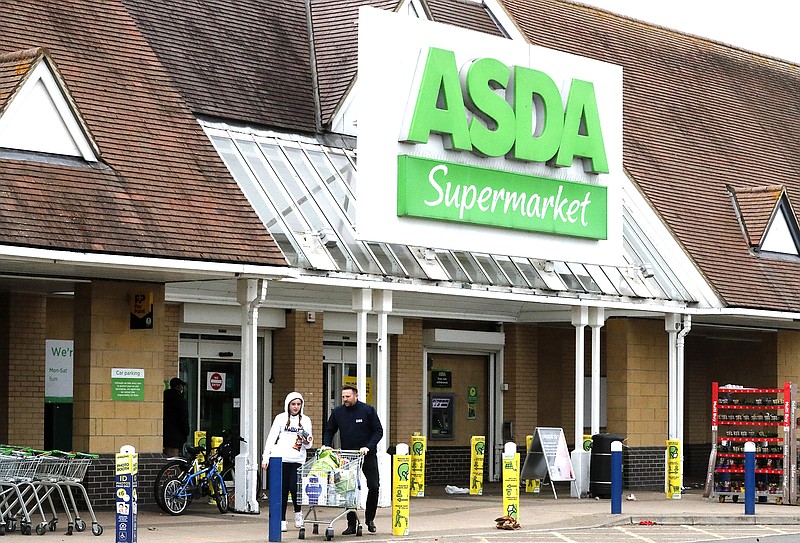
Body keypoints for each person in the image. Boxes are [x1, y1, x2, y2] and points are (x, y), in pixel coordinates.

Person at [322, 385, 383, 535]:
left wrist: (368, 446)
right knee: (349, 489)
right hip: (348, 456)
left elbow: (378, 431)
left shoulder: (368, 410)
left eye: (348, 396)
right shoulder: (338, 412)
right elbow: (330, 430)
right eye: (343, 397)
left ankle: (370, 519)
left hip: (367, 455)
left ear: (356, 396)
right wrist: (327, 445)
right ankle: (351, 524)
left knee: (374, 486)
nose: (345, 399)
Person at [262, 391, 314, 532]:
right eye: (293, 404)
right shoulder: (280, 418)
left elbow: (309, 443)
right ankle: (282, 519)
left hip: (297, 459)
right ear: (288, 405)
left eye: (298, 404)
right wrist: (266, 457)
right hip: (281, 458)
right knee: (283, 490)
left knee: (295, 488)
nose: (295, 407)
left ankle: (298, 514)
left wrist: (306, 442)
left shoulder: (306, 420)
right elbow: (272, 438)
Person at [163, 377, 189, 457]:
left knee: (168, 456)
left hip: (166, 433)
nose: (182, 388)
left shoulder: (164, 397)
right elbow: (183, 418)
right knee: (174, 458)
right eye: (181, 386)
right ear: (177, 387)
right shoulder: (180, 400)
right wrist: (186, 431)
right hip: (176, 435)